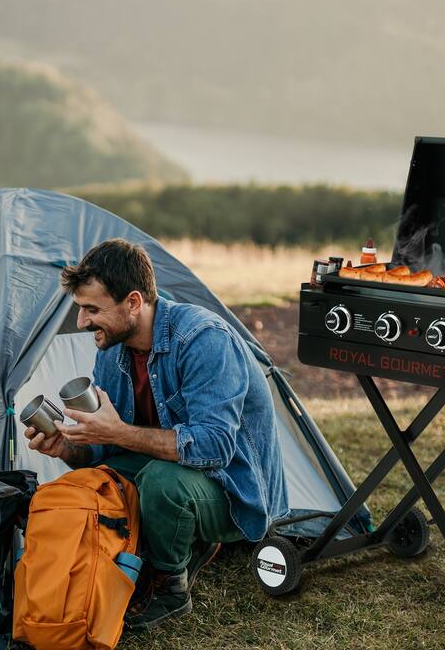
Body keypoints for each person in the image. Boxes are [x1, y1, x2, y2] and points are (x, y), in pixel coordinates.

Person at [25, 238, 288, 628]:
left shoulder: (203, 339)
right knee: (92, 479)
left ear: (133, 302)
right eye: (80, 309)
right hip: (170, 470)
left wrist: (118, 432)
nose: (82, 322)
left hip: (233, 490)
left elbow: (214, 447)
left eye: (91, 309)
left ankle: (170, 587)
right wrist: (68, 448)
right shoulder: (112, 349)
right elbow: (107, 448)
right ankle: (146, 552)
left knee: (164, 484)